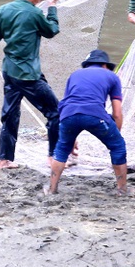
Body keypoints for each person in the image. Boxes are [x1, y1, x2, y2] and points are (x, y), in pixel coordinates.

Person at [0, 0, 61, 170]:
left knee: (10, 115)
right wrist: (52, 8)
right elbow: (51, 31)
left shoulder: (4, 9)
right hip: (28, 75)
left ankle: (4, 160)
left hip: (9, 71)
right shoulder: (34, 13)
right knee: (55, 112)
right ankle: (54, 157)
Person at [48, 50, 127, 195]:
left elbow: (67, 103)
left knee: (61, 150)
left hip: (67, 116)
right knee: (118, 147)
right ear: (105, 65)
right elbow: (117, 113)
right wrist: (116, 135)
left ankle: (52, 189)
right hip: (95, 115)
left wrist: (71, 138)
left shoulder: (75, 75)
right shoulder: (112, 76)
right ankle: (122, 189)